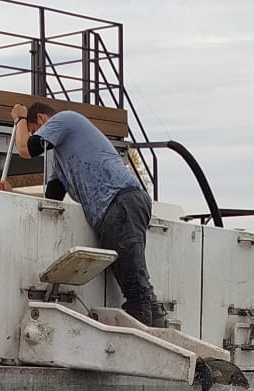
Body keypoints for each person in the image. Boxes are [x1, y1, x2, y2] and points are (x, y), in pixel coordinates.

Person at [10, 101, 168, 327]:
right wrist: (13, 193)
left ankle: (143, 332)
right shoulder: (61, 161)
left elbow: (26, 149)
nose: (38, 136)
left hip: (119, 201)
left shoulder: (65, 119)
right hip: (117, 206)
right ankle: (157, 324)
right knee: (137, 284)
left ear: (43, 119)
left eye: (35, 130)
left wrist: (20, 119)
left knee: (135, 291)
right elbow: (52, 198)